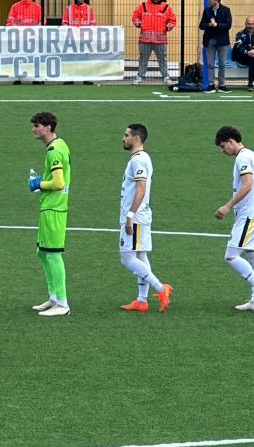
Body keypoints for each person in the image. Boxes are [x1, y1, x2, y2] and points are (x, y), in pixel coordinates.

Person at [117, 124, 173, 313]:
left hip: (137, 216)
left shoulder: (138, 161)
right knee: (140, 255)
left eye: (126, 135)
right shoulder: (140, 158)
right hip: (141, 215)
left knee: (127, 258)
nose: (123, 138)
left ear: (136, 138)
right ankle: (142, 301)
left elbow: (141, 189)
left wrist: (130, 216)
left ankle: (160, 288)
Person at [28, 112, 71, 317]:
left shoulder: (54, 150)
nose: (34, 129)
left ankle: (62, 303)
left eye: (37, 126)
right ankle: (54, 298)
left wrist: (38, 184)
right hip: (50, 207)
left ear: (47, 127)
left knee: (53, 254)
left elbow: (59, 182)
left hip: (54, 208)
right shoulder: (59, 145)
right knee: (42, 252)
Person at [213, 126, 254, 311]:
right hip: (250, 213)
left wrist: (227, 206)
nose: (222, 151)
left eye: (223, 146)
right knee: (252, 256)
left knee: (231, 255)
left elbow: (247, 185)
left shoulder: (243, 157)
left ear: (231, 141)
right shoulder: (250, 155)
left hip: (248, 216)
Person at [132, 0, 177, 86]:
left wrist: (168, 27)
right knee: (143, 58)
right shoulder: (143, 5)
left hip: (160, 40)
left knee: (162, 59)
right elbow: (135, 16)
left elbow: (172, 20)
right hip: (145, 39)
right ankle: (140, 76)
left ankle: (165, 77)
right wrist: (138, 23)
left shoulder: (166, 7)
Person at [199, 0, 233, 93]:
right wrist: (209, 24)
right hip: (210, 41)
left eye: (211, 0)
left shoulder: (226, 10)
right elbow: (201, 25)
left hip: (222, 41)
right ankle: (211, 84)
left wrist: (216, 25)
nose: (209, 1)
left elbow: (228, 25)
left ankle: (222, 85)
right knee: (210, 64)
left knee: (222, 63)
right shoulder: (207, 11)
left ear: (217, 0)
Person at [231, 16, 254, 91]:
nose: (250, 26)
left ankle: (250, 84)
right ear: (245, 24)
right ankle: (250, 84)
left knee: (252, 60)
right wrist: (247, 52)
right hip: (243, 57)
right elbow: (239, 47)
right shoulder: (240, 34)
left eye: (252, 24)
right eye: (248, 24)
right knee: (252, 59)